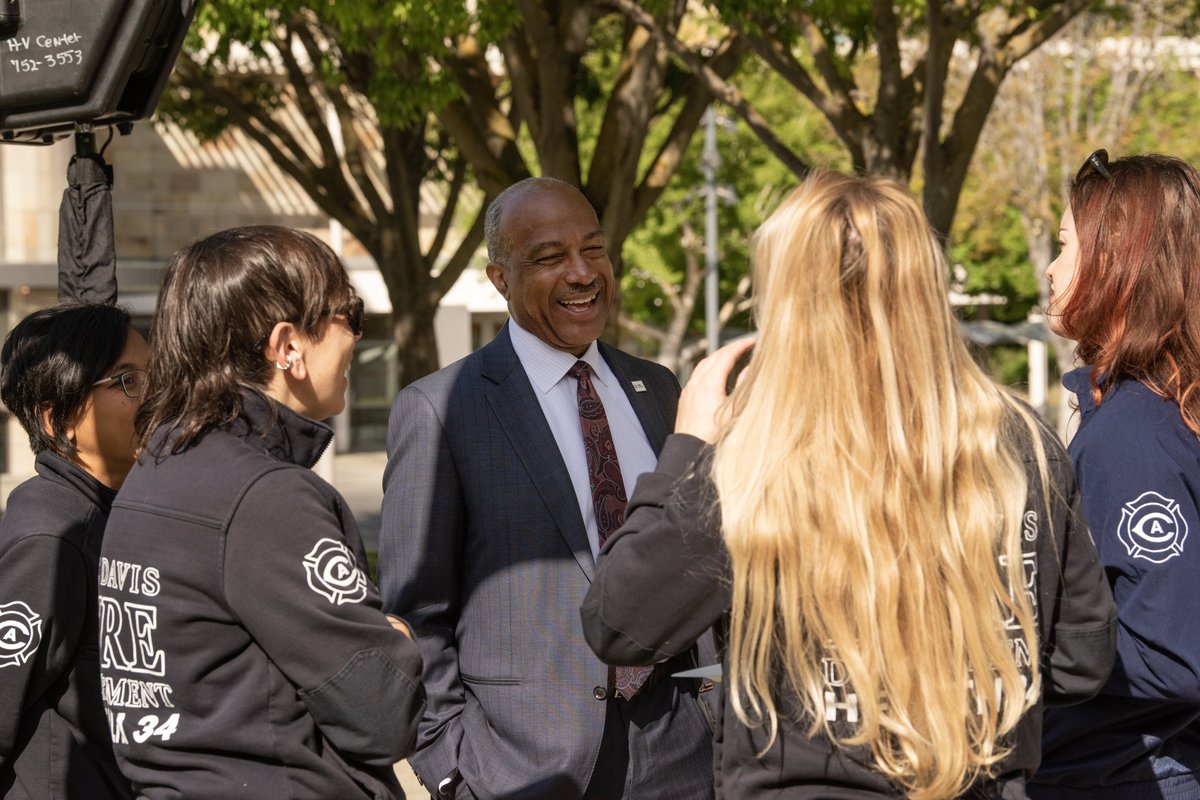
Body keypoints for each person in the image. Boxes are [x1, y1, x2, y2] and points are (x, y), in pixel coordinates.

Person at [581, 170, 1118, 799]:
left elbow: (620, 622)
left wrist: (688, 448)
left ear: (788, 300)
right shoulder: (1020, 440)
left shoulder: (759, 456)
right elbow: (1082, 660)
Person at [380, 177, 717, 799]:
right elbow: (416, 611)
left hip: (679, 754)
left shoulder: (660, 389)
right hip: (521, 768)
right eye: (549, 257)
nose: (583, 273)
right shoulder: (440, 409)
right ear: (500, 278)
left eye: (594, 250)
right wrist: (452, 766)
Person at [97, 226, 424, 799]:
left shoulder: (158, 468)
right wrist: (396, 634)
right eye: (350, 314)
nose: (356, 337)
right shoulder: (266, 496)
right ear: (286, 345)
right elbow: (384, 708)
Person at [1028, 152, 1200, 799]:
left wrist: (1029, 646)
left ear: (1117, 262)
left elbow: (1175, 654)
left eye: (1066, 246)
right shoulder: (1145, 410)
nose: (1050, 268)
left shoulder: (1134, 435)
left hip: (1129, 771)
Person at [0, 304, 145, 799]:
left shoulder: (118, 511)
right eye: (127, 381)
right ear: (57, 416)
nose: (155, 398)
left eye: (155, 376)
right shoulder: (51, 537)